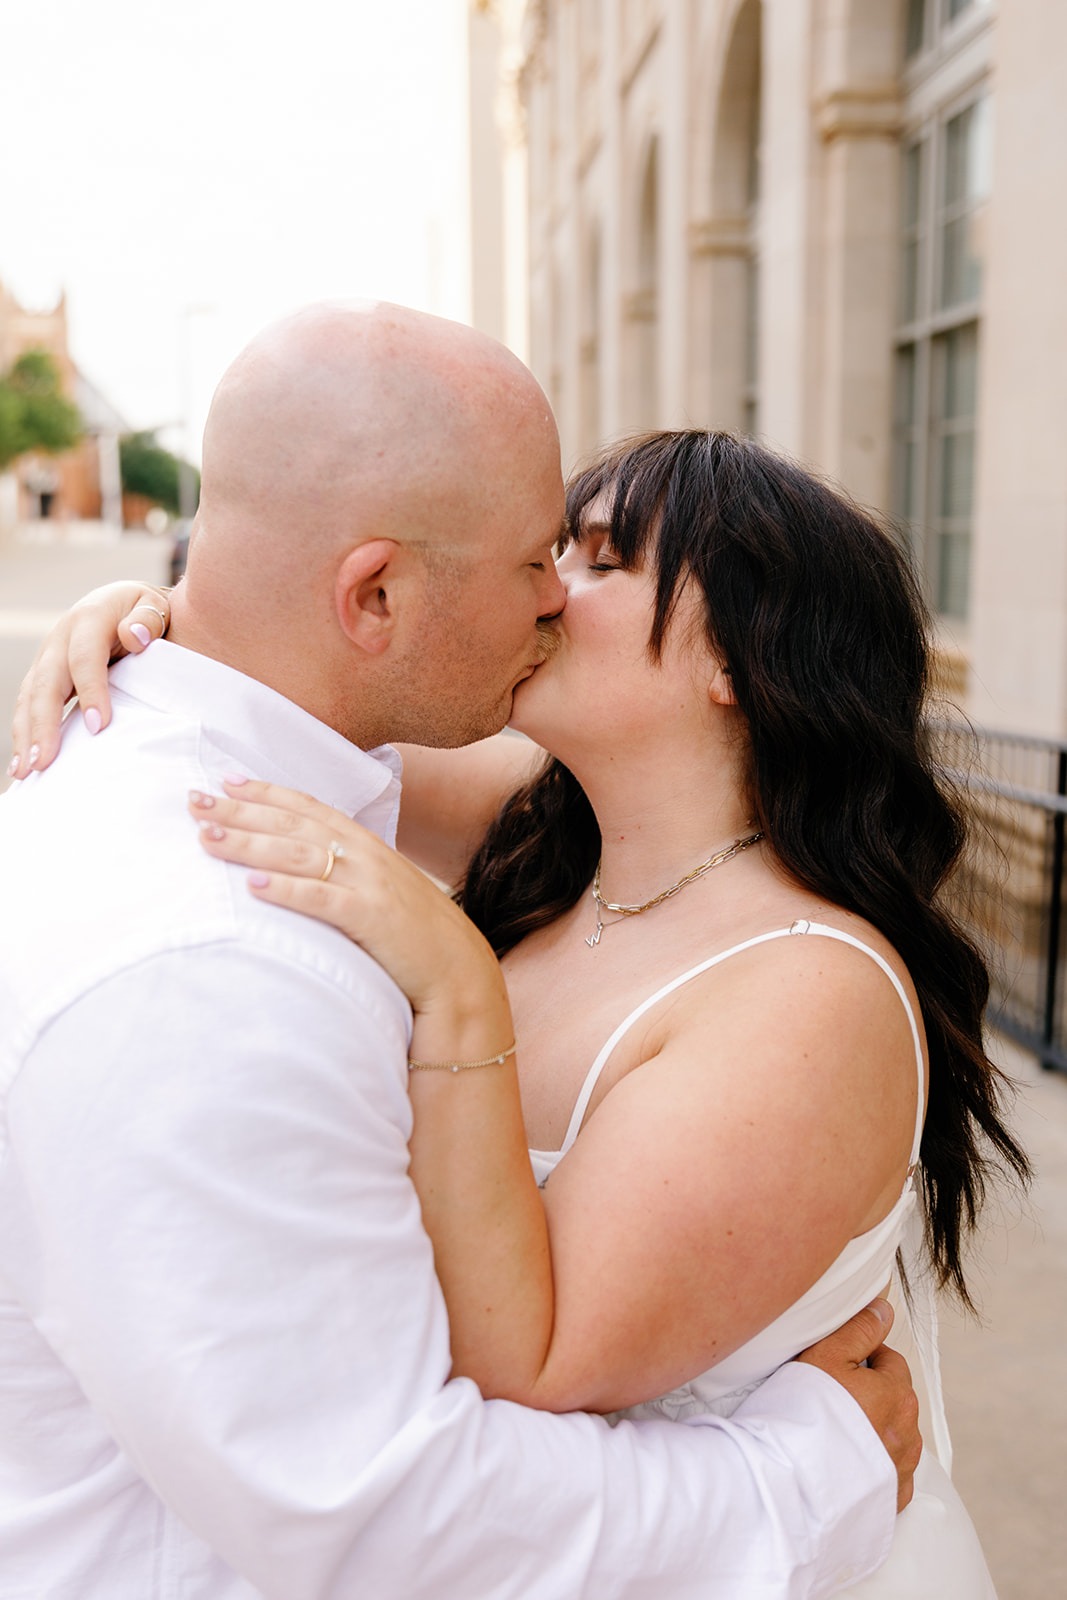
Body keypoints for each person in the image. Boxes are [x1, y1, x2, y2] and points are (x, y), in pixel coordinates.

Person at [0, 304, 922, 1600]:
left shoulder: (796, 983)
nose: (548, 596)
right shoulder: (541, 842)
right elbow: (276, 672)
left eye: (587, 558)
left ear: (736, 657)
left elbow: (305, 685)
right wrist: (152, 617)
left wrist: (458, 987)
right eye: (540, 557)